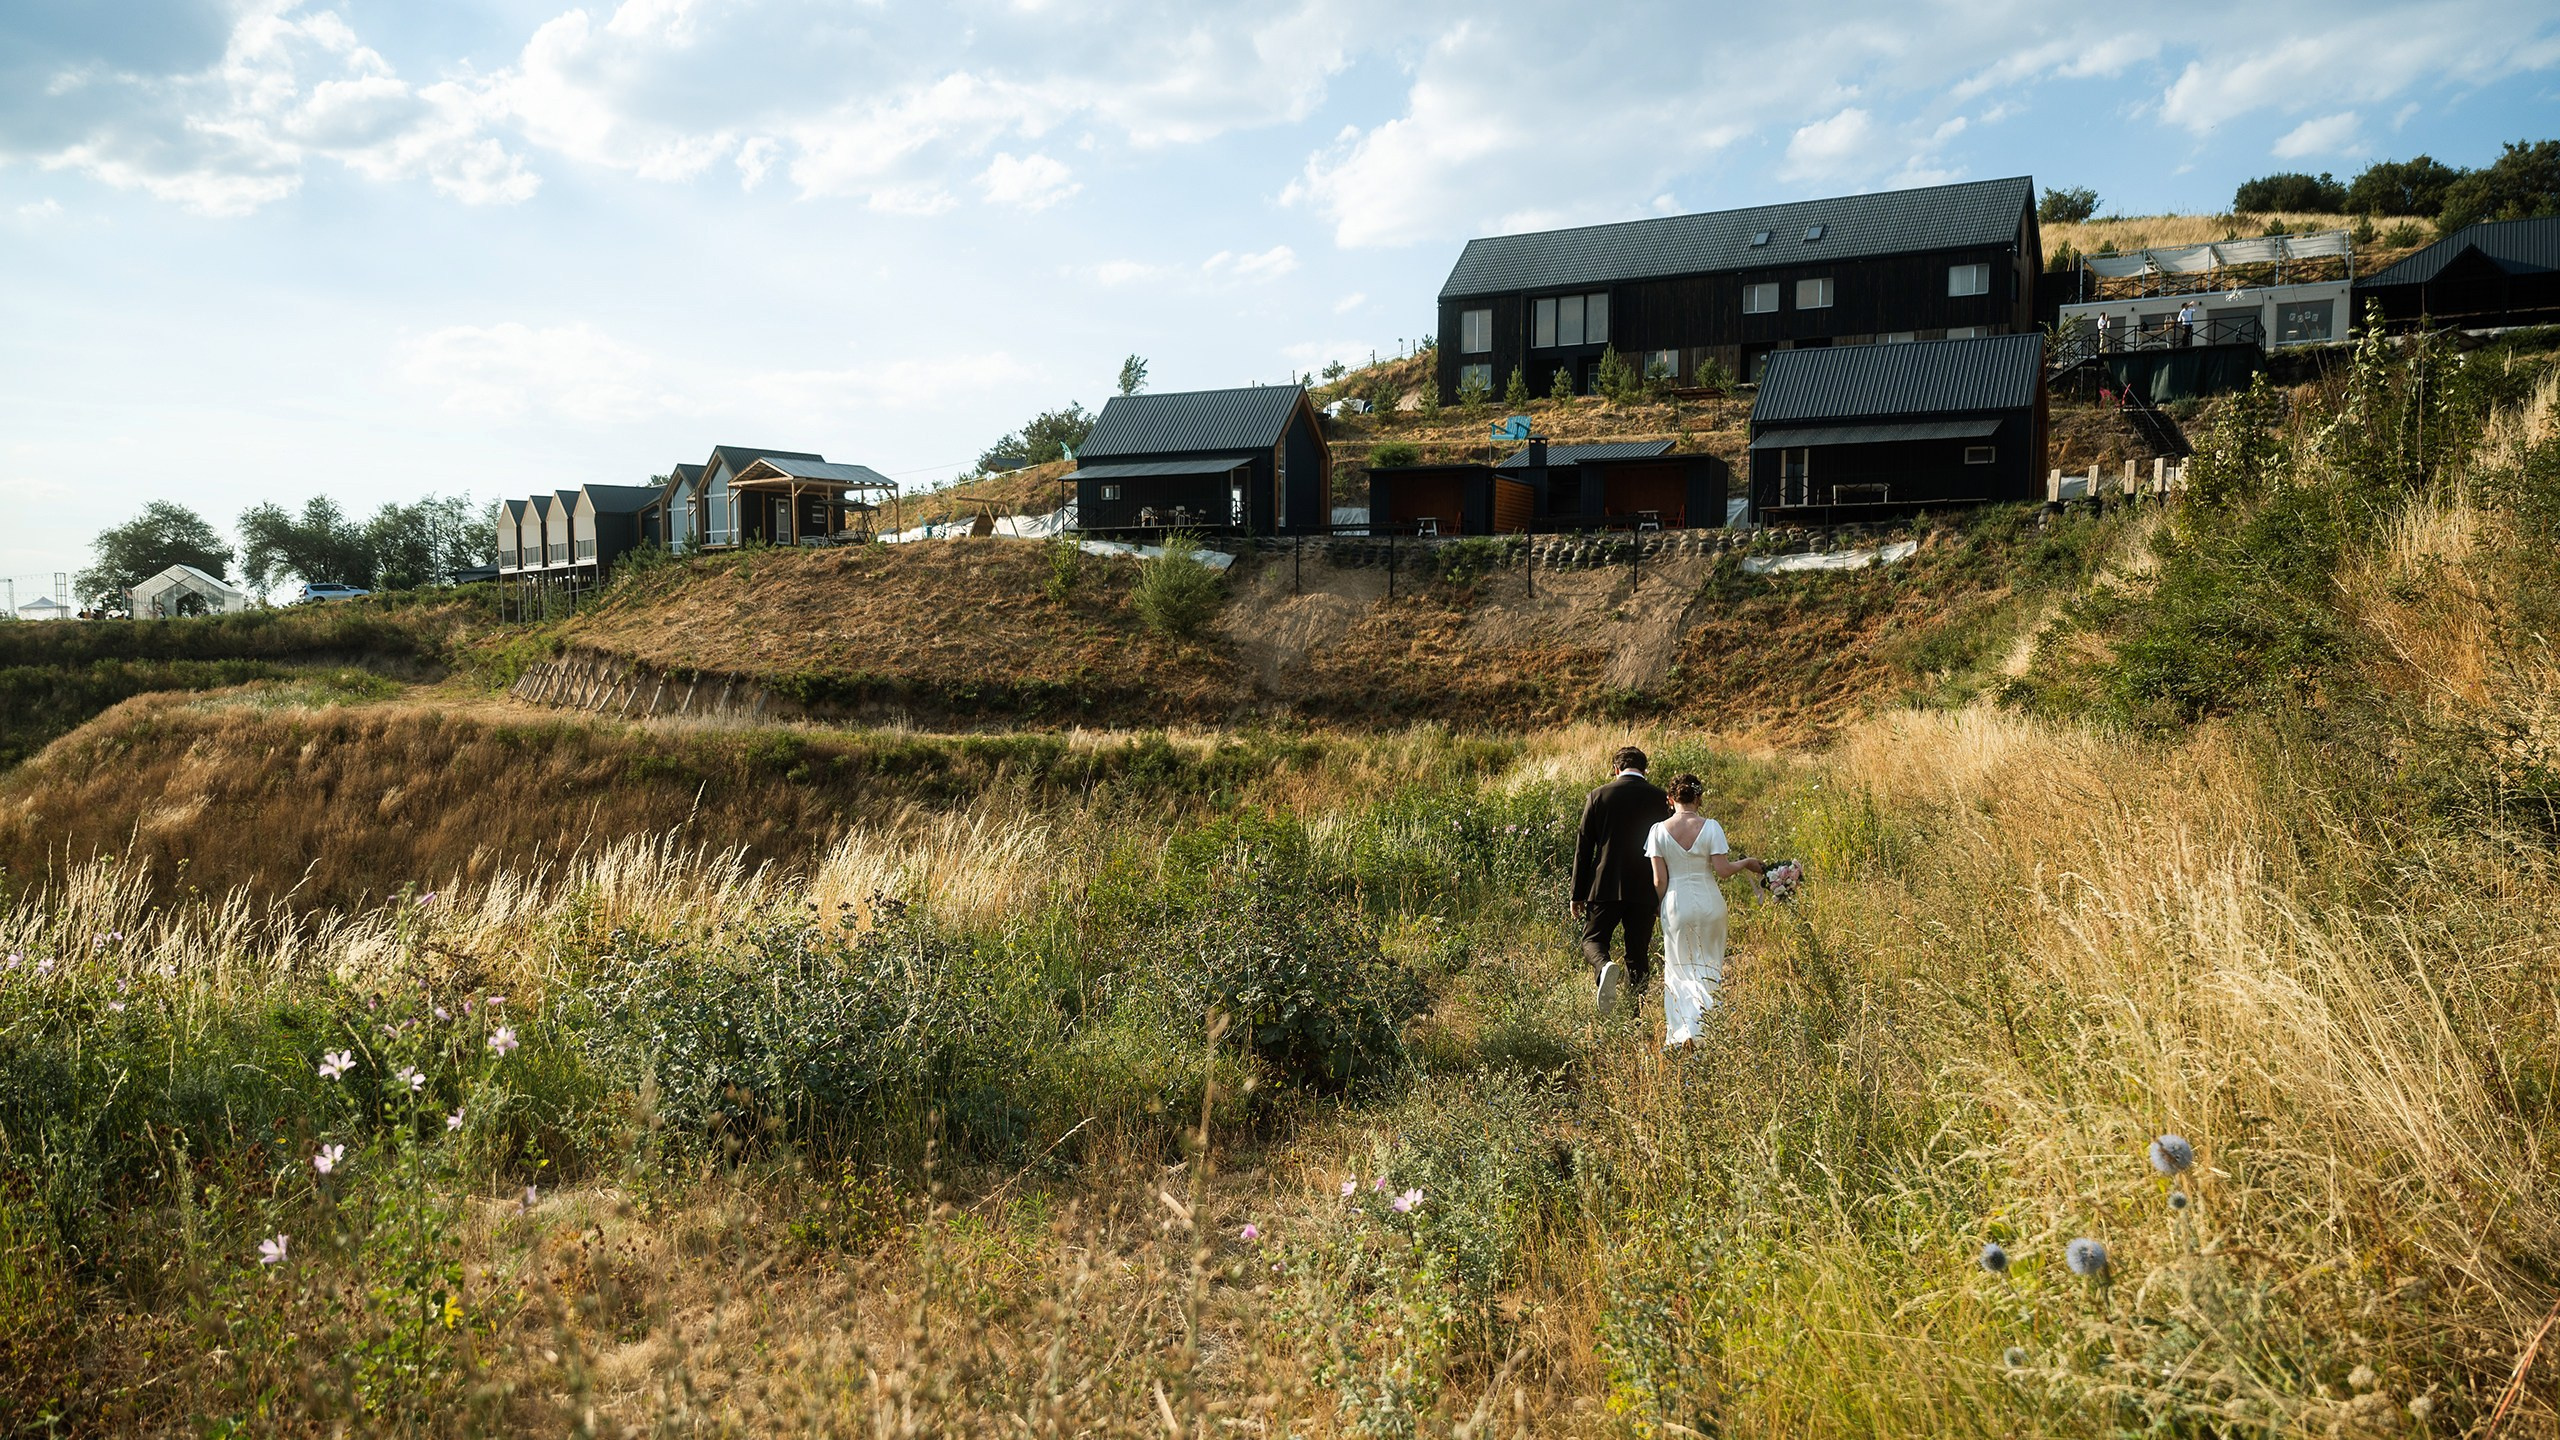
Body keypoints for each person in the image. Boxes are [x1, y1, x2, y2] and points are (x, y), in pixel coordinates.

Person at [1645, 774, 1765, 1047]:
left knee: (1679, 969)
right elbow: (1722, 871)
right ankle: (1706, 1031)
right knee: (1709, 966)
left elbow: (1659, 880)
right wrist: (1745, 862)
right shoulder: (1711, 827)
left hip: (1676, 904)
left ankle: (1684, 1031)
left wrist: (1660, 906)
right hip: (1710, 902)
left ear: (1670, 799)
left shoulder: (1657, 831)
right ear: (1699, 799)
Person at [1573, 746, 1671, 1017]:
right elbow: (1668, 849)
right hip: (1646, 887)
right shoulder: (1661, 799)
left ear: (1615, 770)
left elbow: (1584, 848)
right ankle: (1634, 1018)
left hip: (1604, 885)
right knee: (1637, 954)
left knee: (1593, 939)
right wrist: (1664, 894)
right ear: (1645, 770)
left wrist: (1576, 894)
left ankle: (1604, 966)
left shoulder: (1598, 796)